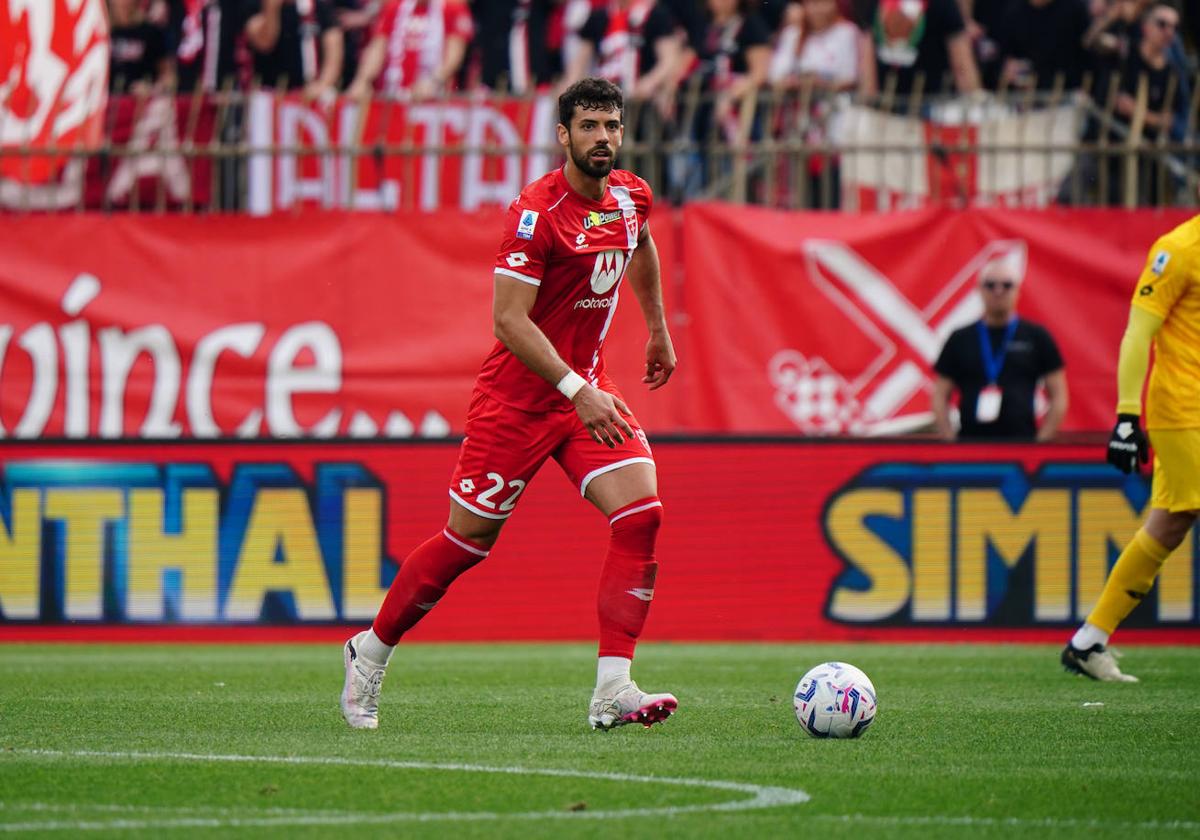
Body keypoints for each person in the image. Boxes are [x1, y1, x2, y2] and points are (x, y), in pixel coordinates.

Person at [340, 77, 679, 732]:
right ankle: (370, 651)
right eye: (589, 127)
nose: (603, 137)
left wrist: (658, 328)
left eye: (611, 125)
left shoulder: (631, 196)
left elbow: (640, 244)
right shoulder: (537, 213)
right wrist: (577, 391)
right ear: (564, 136)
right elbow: (508, 321)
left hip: (586, 390)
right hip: (518, 403)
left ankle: (614, 687)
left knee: (641, 514)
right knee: (467, 544)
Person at [1063, 214, 1200, 682]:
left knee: (1169, 525)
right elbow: (1138, 332)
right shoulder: (1178, 249)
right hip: (1185, 409)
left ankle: (1088, 640)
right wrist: (1126, 416)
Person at [931, 255, 1068, 441]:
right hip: (969, 447)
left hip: (1022, 446)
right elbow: (939, 395)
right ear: (979, 290)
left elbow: (1059, 394)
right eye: (990, 285)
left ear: (1018, 290)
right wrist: (949, 438)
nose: (998, 291)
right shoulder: (960, 338)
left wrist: (1041, 442)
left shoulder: (1037, 337)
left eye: (1006, 285)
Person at [346, 0, 474, 101]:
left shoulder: (453, 8)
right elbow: (377, 48)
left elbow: (454, 56)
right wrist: (362, 81)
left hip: (433, 101)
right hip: (392, 98)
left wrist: (433, 81)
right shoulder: (394, 7)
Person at [243, 0, 344, 100]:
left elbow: (334, 51)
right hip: (270, 94)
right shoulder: (256, 6)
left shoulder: (317, 8)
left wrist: (323, 84)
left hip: (310, 92)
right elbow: (264, 43)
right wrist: (271, 9)